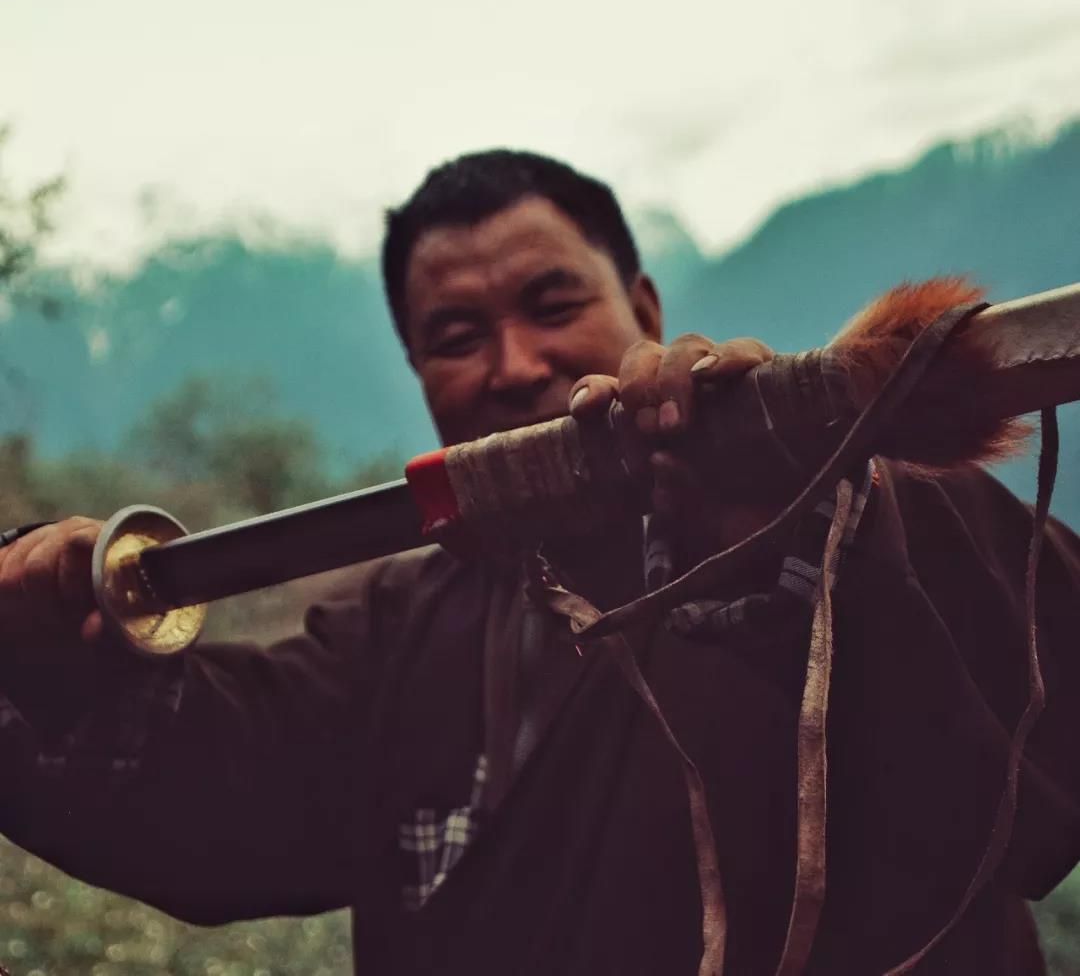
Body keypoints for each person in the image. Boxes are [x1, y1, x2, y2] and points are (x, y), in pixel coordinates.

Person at [0, 149, 1078, 974]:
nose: (515, 365)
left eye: (554, 307)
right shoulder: (390, 628)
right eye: (456, 336)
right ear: (417, 370)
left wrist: (808, 520)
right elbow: (215, 792)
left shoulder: (862, 511)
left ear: (644, 309)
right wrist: (47, 643)